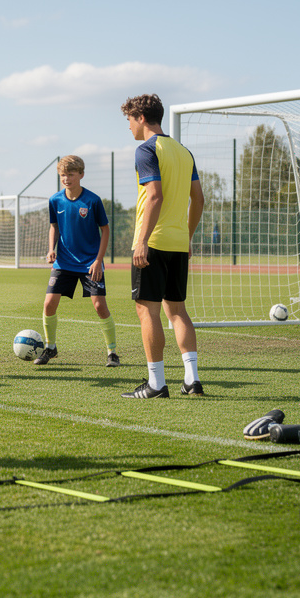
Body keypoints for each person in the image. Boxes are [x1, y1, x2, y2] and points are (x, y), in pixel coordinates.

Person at [119, 94, 206, 399]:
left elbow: (154, 196)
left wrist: (141, 241)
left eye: (129, 120)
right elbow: (199, 199)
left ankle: (156, 384)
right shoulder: (183, 151)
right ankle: (192, 380)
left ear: (141, 117)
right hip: (178, 243)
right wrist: (188, 236)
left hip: (152, 243)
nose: (128, 127)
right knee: (178, 312)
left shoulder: (145, 149)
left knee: (148, 314)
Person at [34, 155, 119, 367]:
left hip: (90, 262)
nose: (66, 179)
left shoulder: (92, 200)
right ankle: (50, 348)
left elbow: (105, 230)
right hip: (63, 262)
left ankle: (112, 352)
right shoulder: (55, 200)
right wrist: (51, 249)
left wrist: (99, 260)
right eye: (63, 175)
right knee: (49, 303)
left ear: (81, 174)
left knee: (99, 305)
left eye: (71, 174)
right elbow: (54, 226)